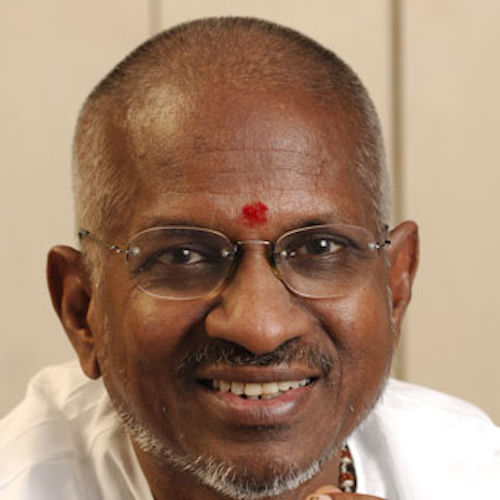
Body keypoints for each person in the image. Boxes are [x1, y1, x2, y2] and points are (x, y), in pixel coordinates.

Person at [0, 17, 498, 500]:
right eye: (183, 256)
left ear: (394, 288)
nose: (260, 327)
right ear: (81, 310)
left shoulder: (474, 472)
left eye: (319, 249)